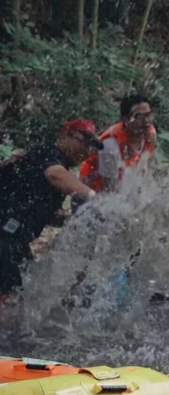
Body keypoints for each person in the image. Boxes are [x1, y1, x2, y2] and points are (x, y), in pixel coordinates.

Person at [0, 120, 100, 296]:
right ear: (64, 136)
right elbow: (55, 175)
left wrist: (66, 220)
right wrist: (96, 198)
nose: (86, 150)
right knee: (12, 300)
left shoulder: (53, 163)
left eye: (91, 147)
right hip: (6, 234)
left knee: (26, 291)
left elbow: (30, 202)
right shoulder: (48, 153)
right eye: (82, 141)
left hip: (13, 236)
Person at [78, 94, 157, 196]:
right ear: (126, 120)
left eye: (148, 115)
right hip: (91, 197)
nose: (146, 121)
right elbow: (109, 194)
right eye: (139, 117)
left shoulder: (150, 132)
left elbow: (146, 173)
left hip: (121, 189)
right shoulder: (110, 146)